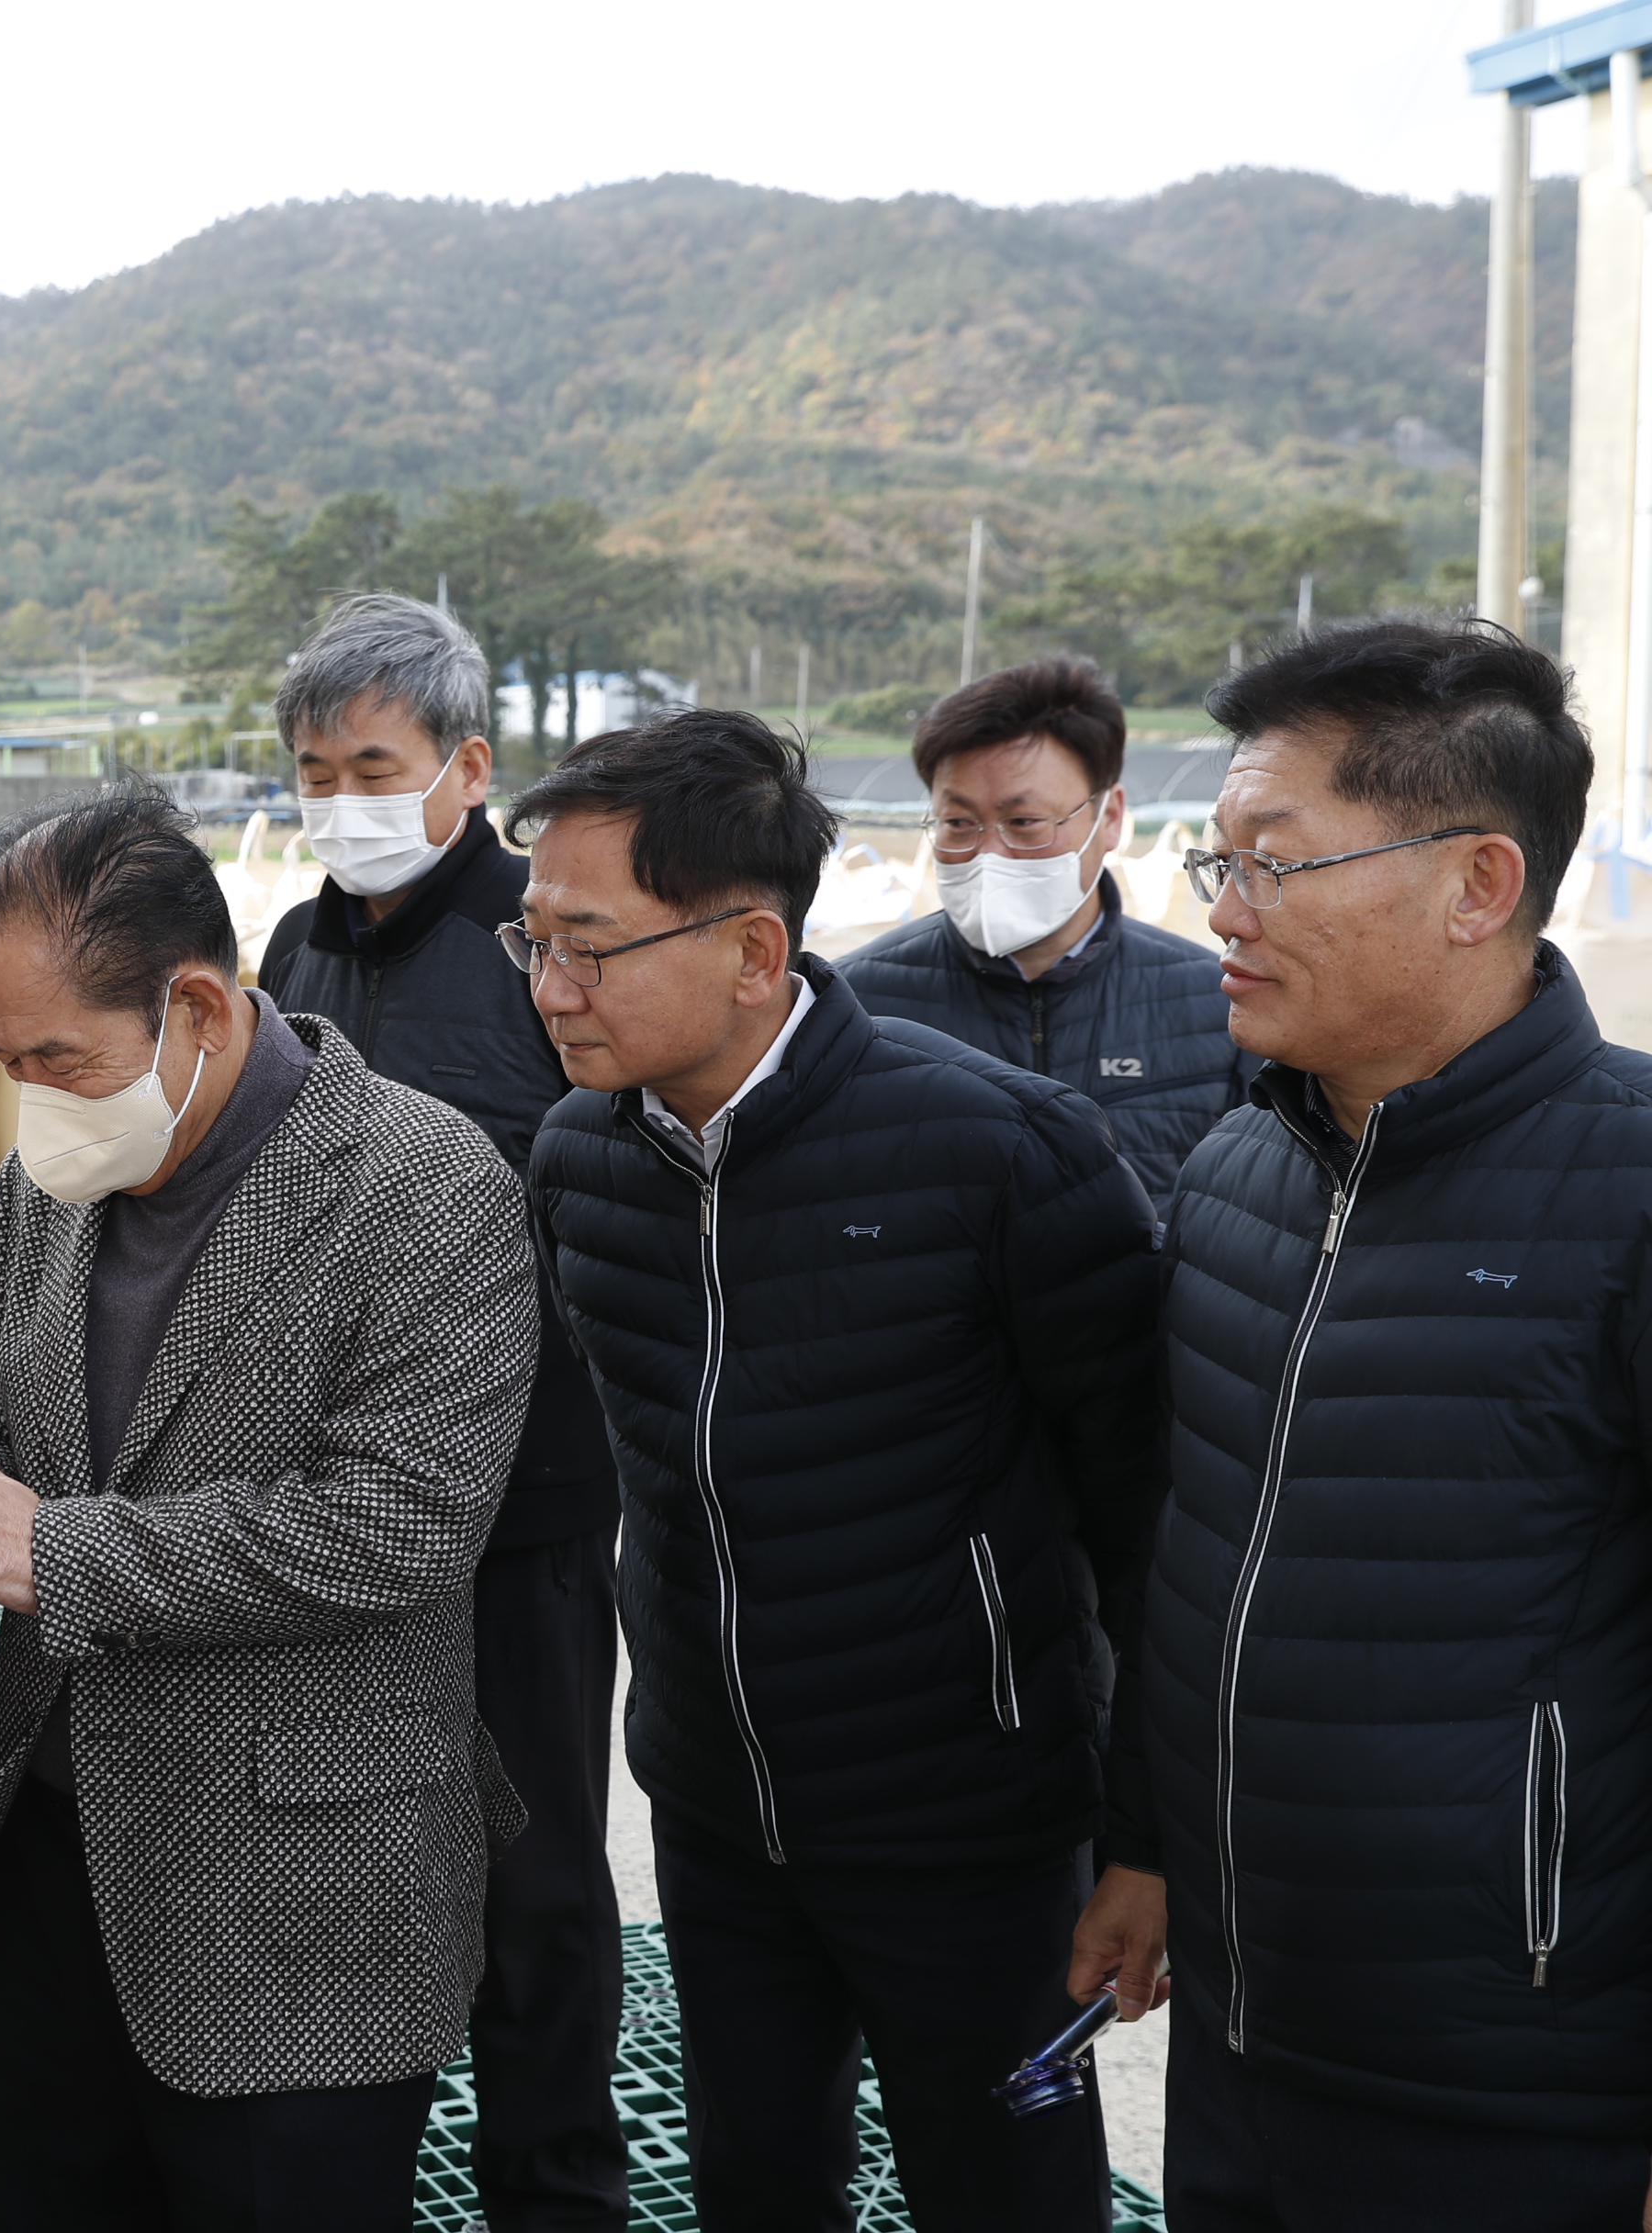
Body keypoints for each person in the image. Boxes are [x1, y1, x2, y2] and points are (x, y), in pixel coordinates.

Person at [0, 784, 537, 2233]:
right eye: (3, 1057)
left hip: (299, 1892)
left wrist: (51, 1550)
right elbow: (6, 1423)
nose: (31, 1093)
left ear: (201, 1012)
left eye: (59, 1057)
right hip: (60, 1854)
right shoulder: (60, 1175)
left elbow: (400, 1520)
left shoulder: (422, 1189)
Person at [516, 712, 1163, 2232]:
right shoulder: (578, 1161)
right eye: (530, 940)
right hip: (715, 1810)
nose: (550, 988)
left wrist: (1140, 1841)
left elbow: (1146, 1523)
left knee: (1004, 2186)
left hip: (973, 1827)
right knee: (755, 2178)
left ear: (751, 952)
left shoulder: (1001, 1155)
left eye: (591, 947)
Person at [1067, 618, 1652, 2230]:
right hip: (1250, 2042)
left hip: (1521, 2081)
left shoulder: (1626, 1188)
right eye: (1217, 859)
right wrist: (1147, 1848)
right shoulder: (1235, 1168)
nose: (1223, 913)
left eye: (1275, 864)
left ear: (1476, 882)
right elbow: (1185, 1554)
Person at [255, 592, 628, 2230]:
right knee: (352, 1859)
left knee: (534, 1871)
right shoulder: (290, 945)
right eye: (313, 766)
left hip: (524, 1498)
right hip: (332, 1494)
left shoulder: (541, 951)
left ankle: (552, 2188)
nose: (339, 797)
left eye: (374, 763)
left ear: (465, 768)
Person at [837, 657, 1243, 1208]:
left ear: (1111, 819)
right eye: (958, 823)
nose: (987, 853)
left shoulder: (1222, 1006)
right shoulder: (851, 1009)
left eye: (1024, 823)